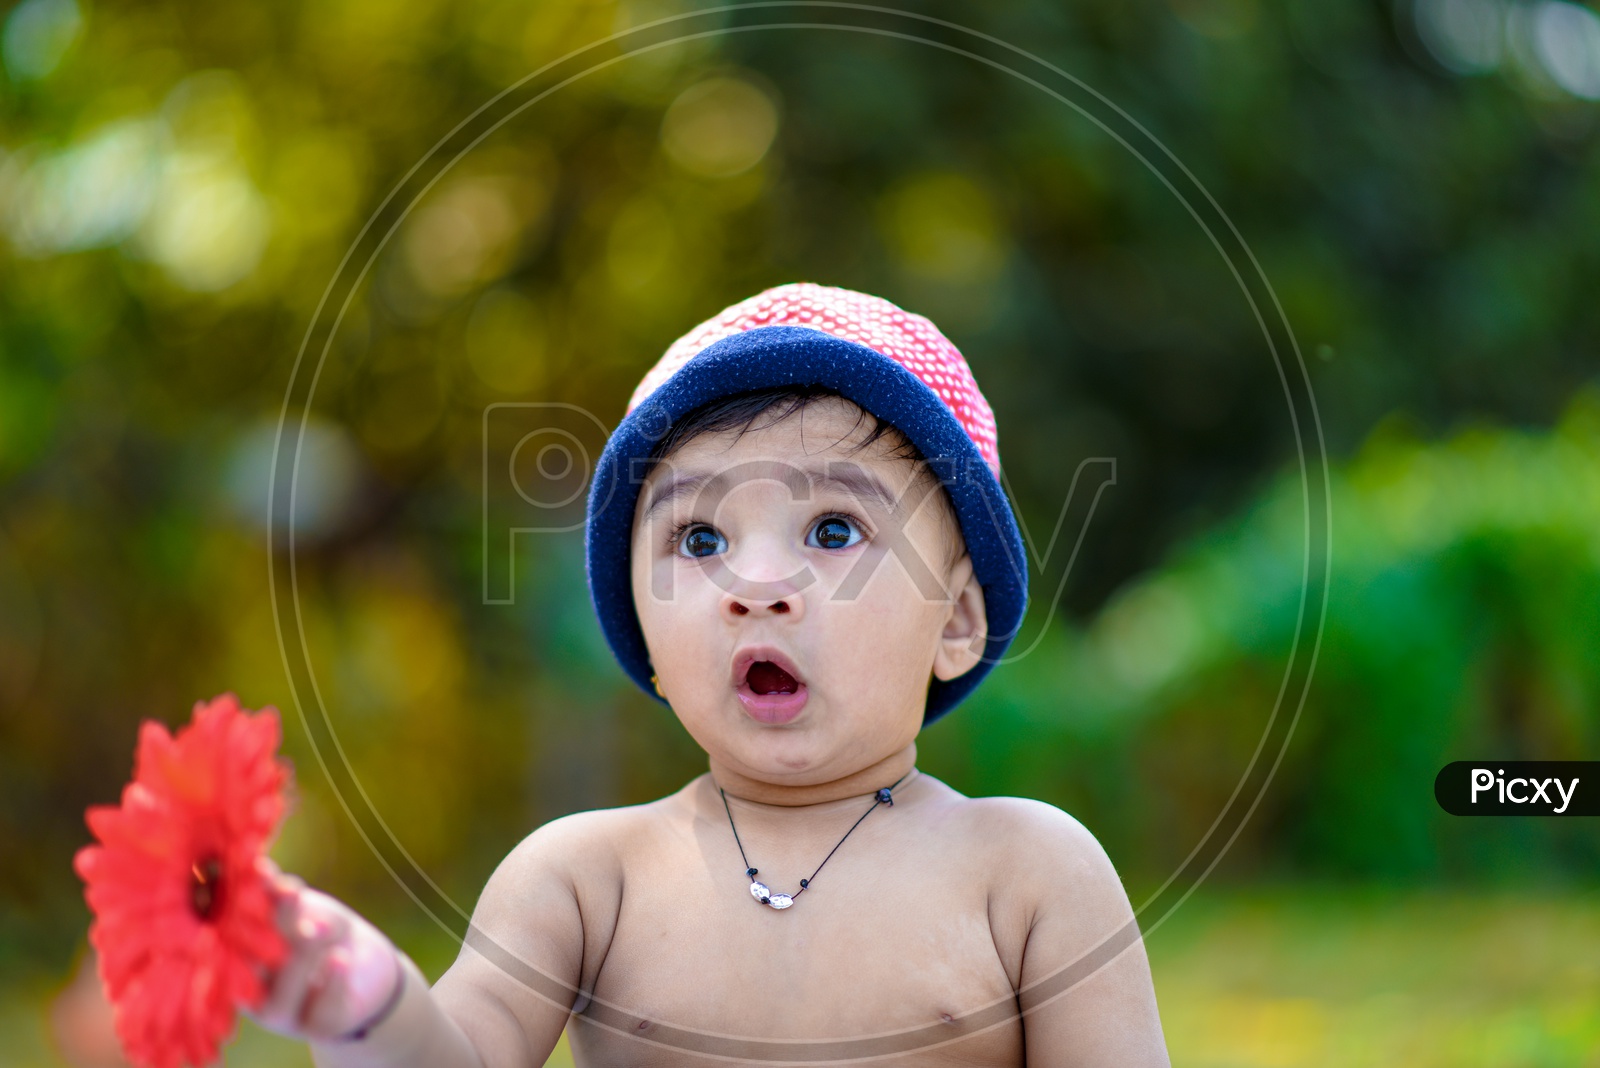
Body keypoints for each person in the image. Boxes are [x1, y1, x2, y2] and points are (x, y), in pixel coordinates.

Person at [247, 283, 1169, 1066]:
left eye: (833, 530)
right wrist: (365, 999)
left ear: (958, 620)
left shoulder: (1027, 873)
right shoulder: (585, 881)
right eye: (699, 540)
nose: (755, 586)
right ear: (643, 633)